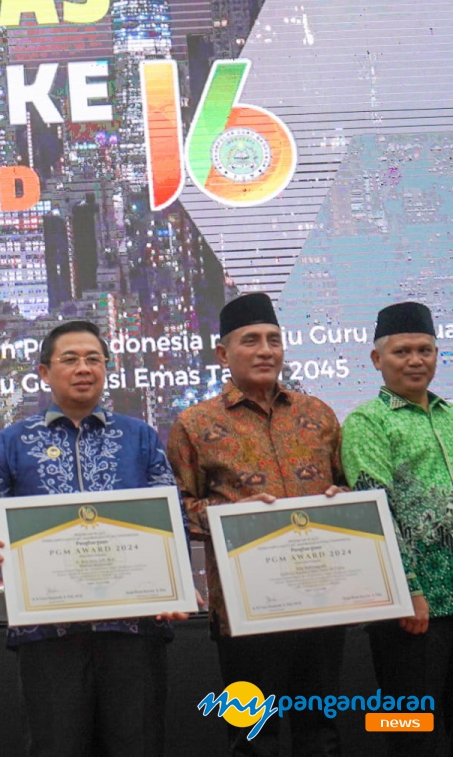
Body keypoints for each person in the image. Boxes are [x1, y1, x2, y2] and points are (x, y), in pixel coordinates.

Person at [0, 320, 186, 757]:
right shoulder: (13, 441)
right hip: (48, 630)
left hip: (132, 625)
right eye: (70, 359)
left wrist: (172, 578)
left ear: (106, 368)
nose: (83, 368)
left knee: (136, 744)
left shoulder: (139, 435)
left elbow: (171, 513)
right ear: (44, 373)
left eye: (94, 359)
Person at [167, 293, 345, 757]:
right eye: (251, 341)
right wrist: (232, 517)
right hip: (246, 610)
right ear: (223, 355)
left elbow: (350, 492)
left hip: (323, 598)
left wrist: (344, 502)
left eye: (274, 340)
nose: (266, 350)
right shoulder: (195, 424)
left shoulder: (318, 415)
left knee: (320, 736)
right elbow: (176, 508)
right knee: (251, 739)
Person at [342, 301, 452, 756]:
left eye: (425, 349)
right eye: (402, 351)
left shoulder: (449, 415)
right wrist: (408, 589)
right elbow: (377, 509)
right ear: (376, 360)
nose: (415, 360)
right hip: (411, 609)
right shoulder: (367, 421)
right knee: (411, 732)